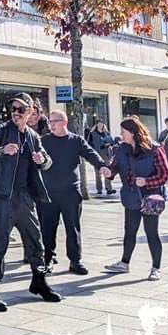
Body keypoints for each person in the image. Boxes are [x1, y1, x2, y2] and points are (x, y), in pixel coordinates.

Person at [0, 93, 60, 312]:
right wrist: (1, 150)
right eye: (12, 109)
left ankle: (39, 281)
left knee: (36, 240)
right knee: (0, 241)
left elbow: (46, 160)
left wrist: (43, 160)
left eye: (20, 109)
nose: (15, 113)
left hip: (26, 196)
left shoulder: (33, 135)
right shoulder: (2, 131)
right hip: (4, 195)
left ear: (31, 112)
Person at [102, 116, 168, 280]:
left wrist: (147, 181)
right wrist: (109, 173)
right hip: (131, 196)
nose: (121, 134)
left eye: (123, 131)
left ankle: (156, 267)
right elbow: (115, 167)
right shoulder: (122, 149)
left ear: (133, 132)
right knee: (129, 232)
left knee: (151, 233)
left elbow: (165, 174)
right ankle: (124, 263)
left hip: (150, 198)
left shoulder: (154, 149)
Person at [40, 111, 107, 275]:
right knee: (48, 228)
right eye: (50, 121)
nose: (51, 124)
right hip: (48, 192)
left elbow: (91, 154)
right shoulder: (44, 141)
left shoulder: (75, 140)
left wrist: (102, 166)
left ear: (64, 122)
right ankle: (47, 259)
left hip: (70, 192)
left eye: (55, 121)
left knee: (73, 227)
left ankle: (75, 261)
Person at [87, 121, 116, 195]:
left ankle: (109, 188)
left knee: (108, 171)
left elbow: (112, 142)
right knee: (98, 173)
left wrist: (108, 144)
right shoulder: (92, 134)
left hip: (106, 154)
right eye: (99, 124)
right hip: (97, 155)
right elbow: (88, 144)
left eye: (101, 124)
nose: (100, 125)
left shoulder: (106, 133)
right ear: (96, 125)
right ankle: (99, 189)